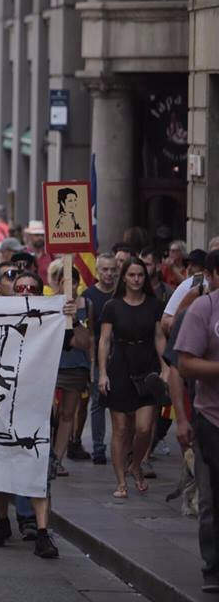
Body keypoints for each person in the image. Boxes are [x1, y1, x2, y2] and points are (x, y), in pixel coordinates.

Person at [0, 270, 61, 558]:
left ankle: (42, 532)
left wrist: (68, 318)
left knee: (37, 467)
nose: (26, 291)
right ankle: (2, 521)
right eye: (21, 288)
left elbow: (79, 343)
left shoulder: (52, 321)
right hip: (3, 404)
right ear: (12, 292)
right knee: (2, 467)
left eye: (32, 287)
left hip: (36, 406)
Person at [97, 256, 168, 500]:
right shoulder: (112, 306)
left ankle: (136, 464)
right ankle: (121, 482)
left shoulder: (153, 304)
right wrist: (103, 373)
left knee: (144, 427)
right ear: (124, 278)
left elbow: (160, 337)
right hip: (120, 366)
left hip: (146, 367)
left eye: (140, 275)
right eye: (132, 275)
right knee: (120, 429)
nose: (137, 279)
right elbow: (104, 341)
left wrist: (165, 368)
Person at [174, 249, 219, 593]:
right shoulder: (203, 308)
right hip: (212, 419)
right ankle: (214, 568)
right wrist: (182, 419)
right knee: (212, 499)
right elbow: (184, 364)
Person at [50, 267, 93, 478]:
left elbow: (86, 342)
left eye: (73, 282)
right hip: (50, 365)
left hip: (76, 366)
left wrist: (74, 319)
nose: (69, 287)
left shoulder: (86, 306)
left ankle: (57, 459)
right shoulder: (47, 304)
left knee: (68, 414)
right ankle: (46, 456)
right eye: (63, 282)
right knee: (48, 414)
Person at [82, 253, 119, 465]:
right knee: (98, 403)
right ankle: (98, 448)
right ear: (97, 272)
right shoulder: (89, 296)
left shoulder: (121, 294)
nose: (109, 274)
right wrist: (92, 363)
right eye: (105, 269)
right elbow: (89, 334)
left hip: (121, 356)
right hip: (97, 357)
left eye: (113, 269)